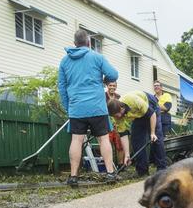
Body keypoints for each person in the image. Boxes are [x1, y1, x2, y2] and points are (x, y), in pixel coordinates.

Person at [58, 29, 119, 187]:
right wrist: (106, 80)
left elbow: (62, 88)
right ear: (89, 43)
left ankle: (73, 177)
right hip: (97, 107)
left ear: (75, 44)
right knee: (103, 139)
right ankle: (110, 173)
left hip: (77, 108)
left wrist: (68, 107)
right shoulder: (97, 57)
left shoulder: (65, 61)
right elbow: (113, 74)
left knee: (76, 140)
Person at [107, 91, 167, 176]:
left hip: (150, 105)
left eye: (117, 115)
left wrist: (153, 133)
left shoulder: (133, 101)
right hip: (138, 114)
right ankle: (142, 171)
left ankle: (162, 169)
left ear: (121, 108)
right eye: (115, 116)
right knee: (136, 139)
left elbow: (152, 114)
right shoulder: (116, 115)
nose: (117, 118)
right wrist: (127, 155)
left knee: (156, 138)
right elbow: (123, 135)